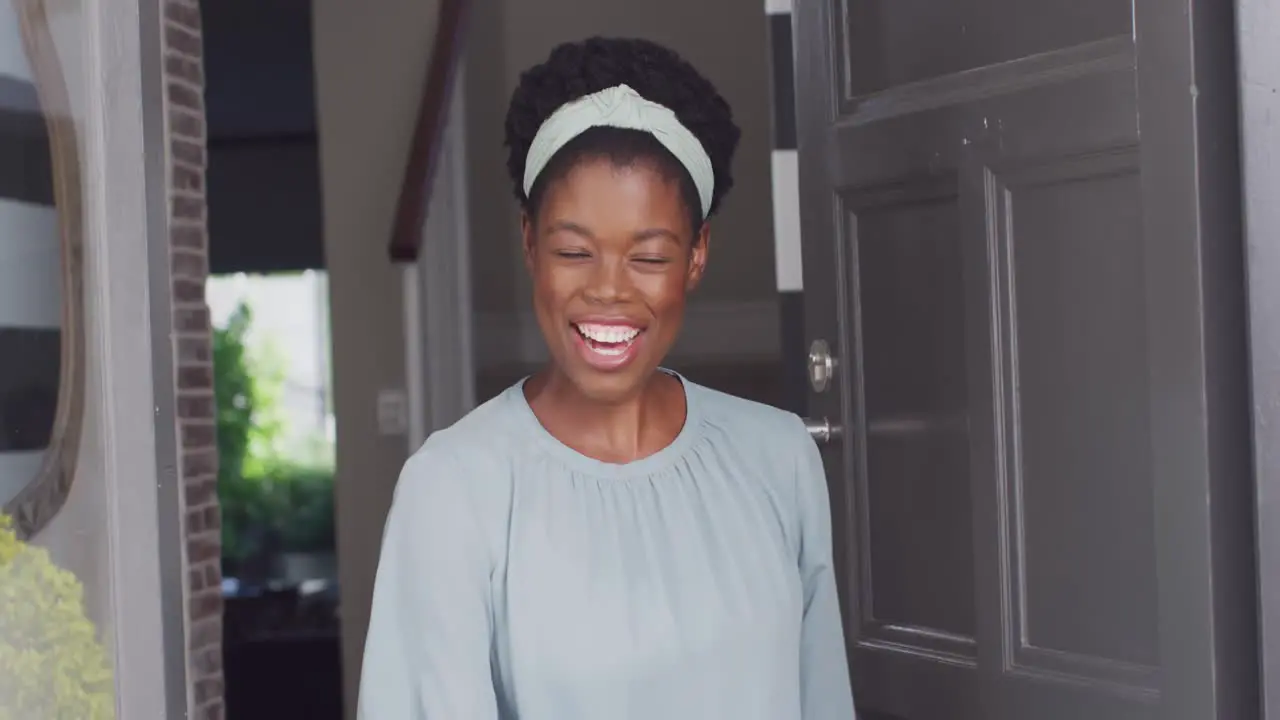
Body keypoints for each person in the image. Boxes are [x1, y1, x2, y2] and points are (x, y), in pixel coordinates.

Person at [357, 36, 855, 720]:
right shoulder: (453, 488)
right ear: (530, 243)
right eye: (573, 251)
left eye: (648, 256)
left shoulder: (779, 458)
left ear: (698, 255)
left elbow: (821, 700)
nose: (608, 291)